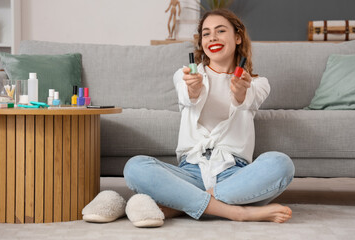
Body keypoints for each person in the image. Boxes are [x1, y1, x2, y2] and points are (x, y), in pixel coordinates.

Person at [104, 9, 296, 228]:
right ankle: (238, 213)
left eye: (220, 30)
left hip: (234, 175)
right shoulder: (186, 75)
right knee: (135, 167)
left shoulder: (257, 83)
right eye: (206, 33)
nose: (212, 37)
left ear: (237, 37)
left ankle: (179, 204)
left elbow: (246, 100)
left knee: (281, 164)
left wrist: (241, 91)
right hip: (190, 171)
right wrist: (193, 90)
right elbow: (188, 97)